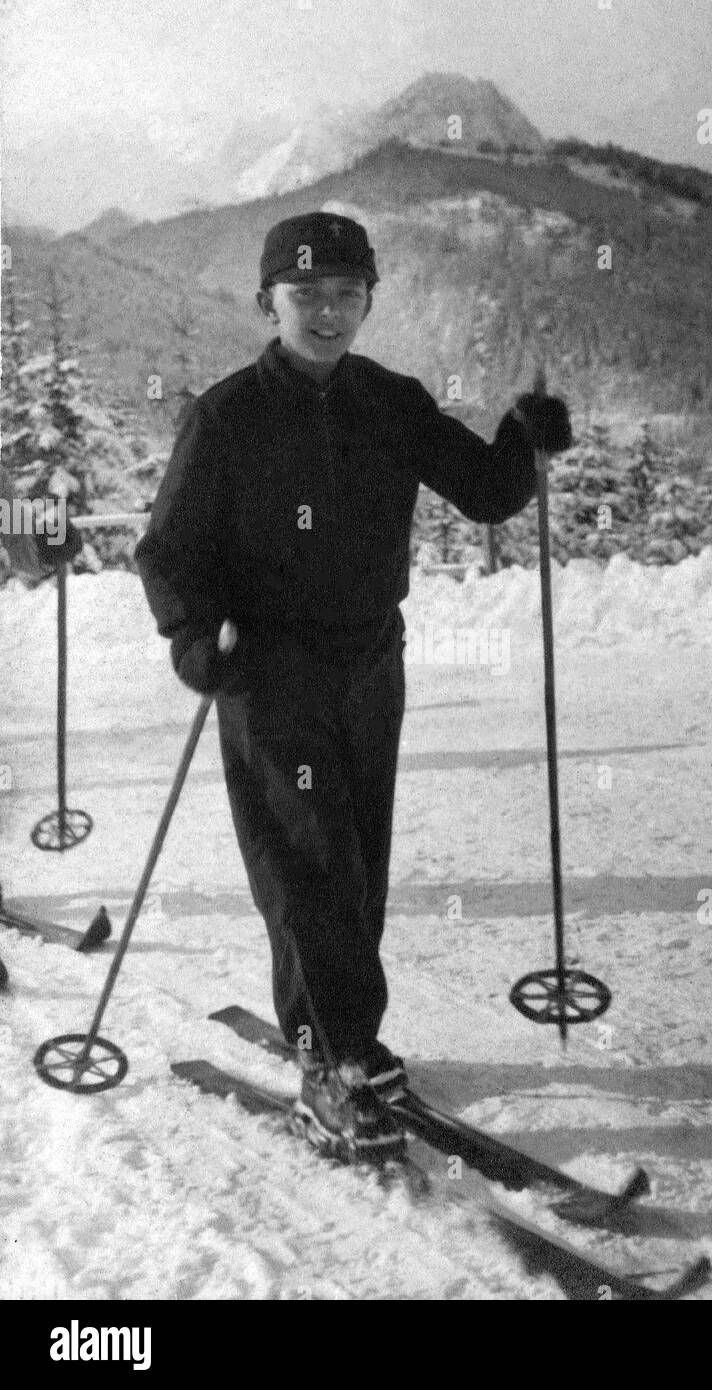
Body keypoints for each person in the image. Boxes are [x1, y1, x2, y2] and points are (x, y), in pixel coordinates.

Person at [135, 211, 570, 1162]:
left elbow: (486, 491)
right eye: (305, 295)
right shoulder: (226, 415)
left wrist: (523, 439)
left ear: (368, 298)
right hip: (270, 667)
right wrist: (195, 639)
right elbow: (171, 549)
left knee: (358, 856)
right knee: (307, 860)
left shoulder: (389, 399)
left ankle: (344, 1034)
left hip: (371, 658)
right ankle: (330, 1058)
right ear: (268, 302)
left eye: (345, 293)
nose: (326, 312)